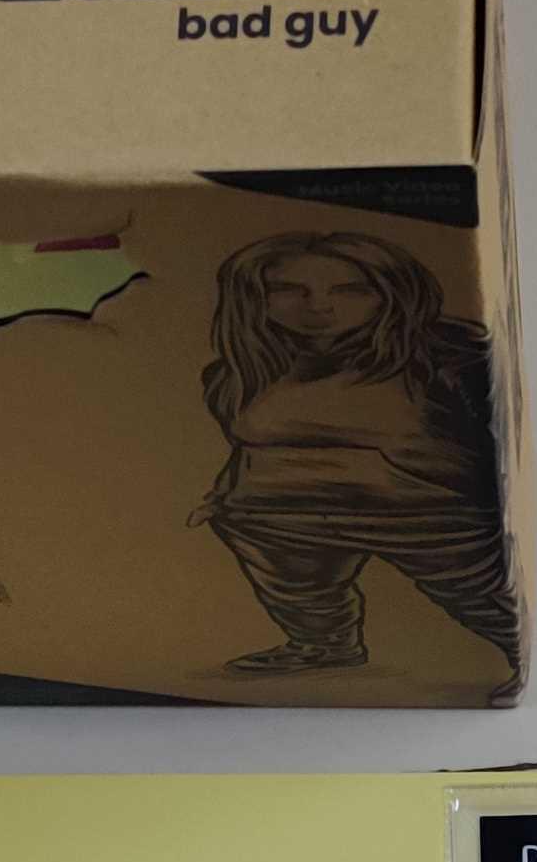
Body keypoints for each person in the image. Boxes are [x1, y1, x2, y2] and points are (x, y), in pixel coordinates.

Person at [191, 234, 517, 684]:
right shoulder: (241, 372)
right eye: (287, 290)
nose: (319, 307)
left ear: (391, 292)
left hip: (428, 515)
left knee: (481, 595)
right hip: (280, 515)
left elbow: (499, 439)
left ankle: (529, 662)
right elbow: (253, 447)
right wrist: (227, 496)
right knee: (297, 589)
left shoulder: (451, 359)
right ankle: (322, 646)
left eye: (350, 290)